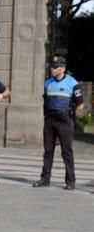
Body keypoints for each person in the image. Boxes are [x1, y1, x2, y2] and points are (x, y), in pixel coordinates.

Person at [33, 55, 84, 190]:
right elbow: (46, 100)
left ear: (63, 69)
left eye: (55, 67)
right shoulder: (48, 83)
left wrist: (71, 118)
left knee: (66, 152)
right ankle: (45, 178)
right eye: (52, 66)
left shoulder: (73, 83)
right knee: (48, 151)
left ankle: (70, 181)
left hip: (64, 121)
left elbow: (80, 105)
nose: (52, 69)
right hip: (50, 120)